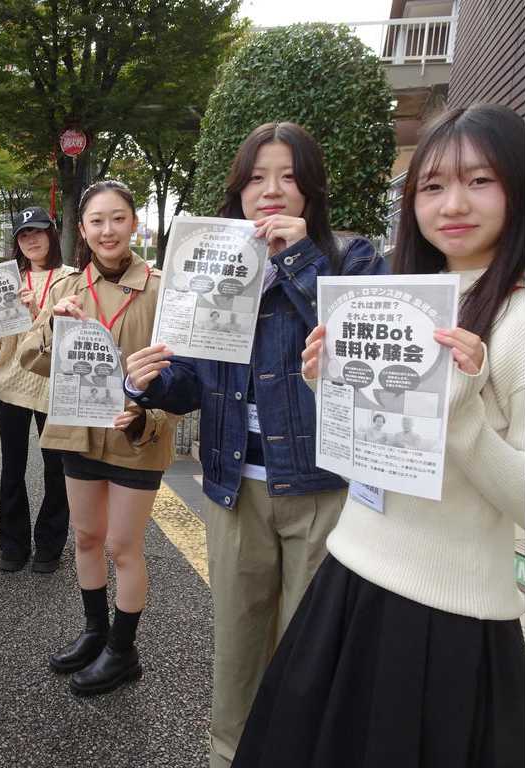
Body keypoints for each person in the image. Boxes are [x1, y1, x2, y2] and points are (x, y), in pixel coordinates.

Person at [234, 103, 525, 766]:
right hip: (350, 575)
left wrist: (463, 422)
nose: (453, 204)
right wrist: (327, 387)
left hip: (447, 613)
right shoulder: (402, 297)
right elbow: (376, 445)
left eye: (480, 181)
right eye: (432, 185)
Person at [122, 122, 387, 768]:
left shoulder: (351, 258)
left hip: (323, 488)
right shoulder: (212, 264)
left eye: (288, 176)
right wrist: (150, 382)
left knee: (310, 649)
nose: (271, 190)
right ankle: (229, 755)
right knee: (237, 643)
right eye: (257, 178)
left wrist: (297, 260)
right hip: (233, 487)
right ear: (238, 190)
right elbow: (191, 383)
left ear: (312, 189)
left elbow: (363, 352)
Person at [16, 180, 179, 696]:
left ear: (134, 223)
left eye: (117, 218)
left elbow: (183, 376)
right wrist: (52, 327)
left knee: (122, 546)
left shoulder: (161, 289)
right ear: (82, 230)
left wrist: (148, 418)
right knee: (86, 537)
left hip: (136, 435)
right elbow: (30, 358)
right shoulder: (67, 290)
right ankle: (95, 632)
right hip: (79, 431)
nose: (108, 230)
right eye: (96, 221)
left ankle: (123, 650)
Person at [0, 207, 76, 573]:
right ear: (17, 242)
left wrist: (39, 314)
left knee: (57, 469)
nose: (31, 239)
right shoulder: (5, 280)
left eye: (38, 231)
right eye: (23, 234)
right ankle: (12, 544)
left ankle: (50, 545)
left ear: (52, 233)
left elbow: (74, 335)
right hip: (11, 384)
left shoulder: (73, 279)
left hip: (54, 387)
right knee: (12, 467)